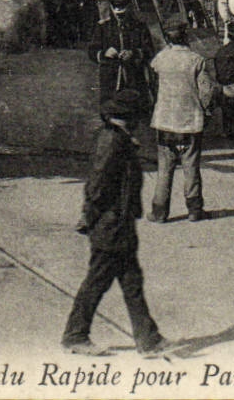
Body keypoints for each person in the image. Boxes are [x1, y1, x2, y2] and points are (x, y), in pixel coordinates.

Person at [61, 86, 169, 356]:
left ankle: (149, 339)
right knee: (98, 280)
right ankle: (75, 335)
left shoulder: (118, 138)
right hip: (110, 225)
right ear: (129, 117)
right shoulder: (112, 141)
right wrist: (93, 216)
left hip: (119, 223)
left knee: (131, 281)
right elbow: (98, 184)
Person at [148, 21, 218, 223]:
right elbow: (207, 90)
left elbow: (153, 82)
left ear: (168, 38)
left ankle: (159, 212)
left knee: (164, 168)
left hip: (165, 120)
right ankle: (195, 210)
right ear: (185, 36)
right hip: (190, 120)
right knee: (191, 166)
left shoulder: (160, 59)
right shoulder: (196, 60)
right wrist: (207, 111)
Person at [90, 0, 156, 115]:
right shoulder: (103, 27)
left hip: (134, 79)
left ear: (129, 7)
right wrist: (104, 53)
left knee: (136, 117)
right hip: (110, 80)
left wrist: (134, 53)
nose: (119, 12)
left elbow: (150, 50)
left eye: (122, 9)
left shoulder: (139, 27)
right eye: (116, 9)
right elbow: (92, 51)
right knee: (111, 117)